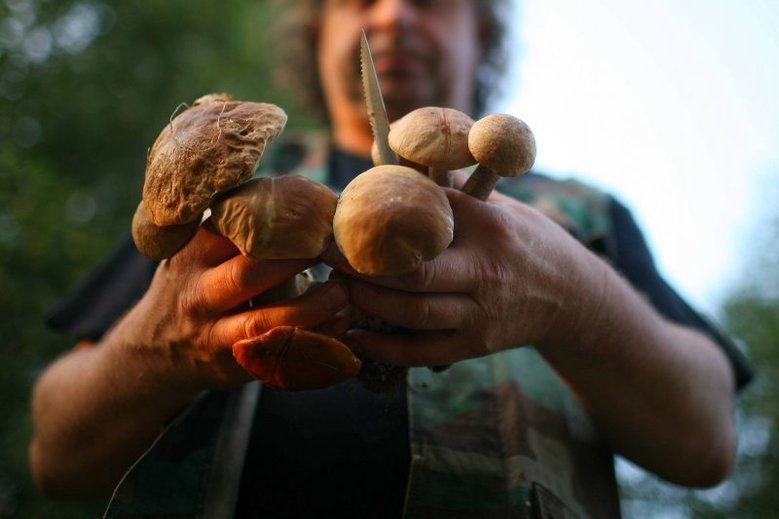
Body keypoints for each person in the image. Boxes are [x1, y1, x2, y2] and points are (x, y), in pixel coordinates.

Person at [30, 0, 752, 517]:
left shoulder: (578, 215)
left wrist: (577, 299)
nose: (393, 14)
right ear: (316, 32)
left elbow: (706, 446)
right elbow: (56, 457)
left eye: (431, 0)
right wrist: (157, 348)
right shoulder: (213, 188)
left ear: (481, 31)